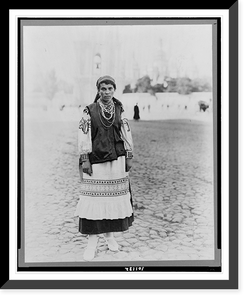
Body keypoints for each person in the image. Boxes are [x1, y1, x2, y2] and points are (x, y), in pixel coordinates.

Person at [75, 75, 134, 261]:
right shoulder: (89, 110)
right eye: (103, 89)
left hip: (117, 160)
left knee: (113, 200)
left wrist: (129, 155)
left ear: (114, 90)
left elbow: (125, 132)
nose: (107, 92)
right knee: (95, 201)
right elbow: (83, 135)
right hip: (96, 160)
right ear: (98, 90)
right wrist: (85, 159)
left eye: (110, 88)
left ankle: (109, 237)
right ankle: (91, 244)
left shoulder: (119, 108)